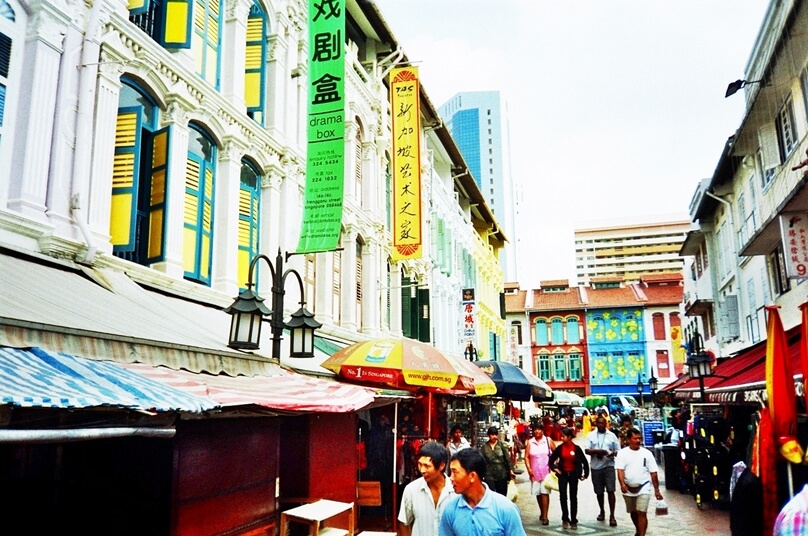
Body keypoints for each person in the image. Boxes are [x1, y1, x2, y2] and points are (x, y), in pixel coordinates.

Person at [439, 448, 527, 536]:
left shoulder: (505, 509)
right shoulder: (450, 510)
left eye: (455, 472)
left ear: (472, 476)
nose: (451, 478)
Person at [398, 441, 454, 536]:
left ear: (441, 466)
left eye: (427, 466)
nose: (422, 470)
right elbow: (404, 523)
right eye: (420, 464)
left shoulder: (456, 492)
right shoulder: (411, 490)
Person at [615, 427, 664, 536]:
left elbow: (653, 473)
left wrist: (656, 490)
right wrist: (622, 484)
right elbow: (620, 471)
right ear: (628, 440)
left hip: (643, 487)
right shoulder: (622, 453)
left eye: (639, 438)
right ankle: (638, 530)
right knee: (633, 512)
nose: (638, 441)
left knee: (642, 512)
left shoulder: (647, 453)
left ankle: (642, 534)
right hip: (628, 488)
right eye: (635, 438)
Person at [548, 427, 590, 530]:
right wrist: (555, 469)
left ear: (569, 437)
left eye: (564, 436)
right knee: (563, 496)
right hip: (563, 475)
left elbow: (584, 462)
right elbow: (551, 460)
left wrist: (585, 474)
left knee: (573, 497)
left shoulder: (576, 448)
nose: (562, 438)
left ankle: (573, 519)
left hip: (573, 475)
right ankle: (565, 518)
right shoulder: (560, 448)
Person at [585, 415, 620, 526]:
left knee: (611, 490)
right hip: (596, 467)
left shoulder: (612, 436)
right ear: (596, 424)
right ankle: (602, 511)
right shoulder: (591, 435)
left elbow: (618, 451)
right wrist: (598, 451)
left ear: (606, 424)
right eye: (599, 423)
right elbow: (587, 450)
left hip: (609, 466)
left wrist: (612, 453)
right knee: (599, 492)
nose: (601, 425)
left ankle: (612, 516)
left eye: (603, 423)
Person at [525, 422, 556, 526]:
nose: (537, 431)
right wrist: (529, 469)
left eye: (539, 429)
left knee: (544, 492)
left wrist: (554, 466)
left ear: (543, 430)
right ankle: (542, 512)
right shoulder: (530, 442)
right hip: (534, 472)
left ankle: (545, 516)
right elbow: (526, 456)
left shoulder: (548, 440)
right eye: (535, 430)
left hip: (546, 471)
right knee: (538, 493)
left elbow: (556, 453)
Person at [479, 425, 514, 495]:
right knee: (490, 495)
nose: (494, 437)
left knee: (502, 495)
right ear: (488, 435)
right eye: (492, 435)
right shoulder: (484, 447)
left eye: (496, 434)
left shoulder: (501, 445)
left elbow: (507, 458)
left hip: (501, 473)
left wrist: (511, 470)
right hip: (489, 475)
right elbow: (481, 461)